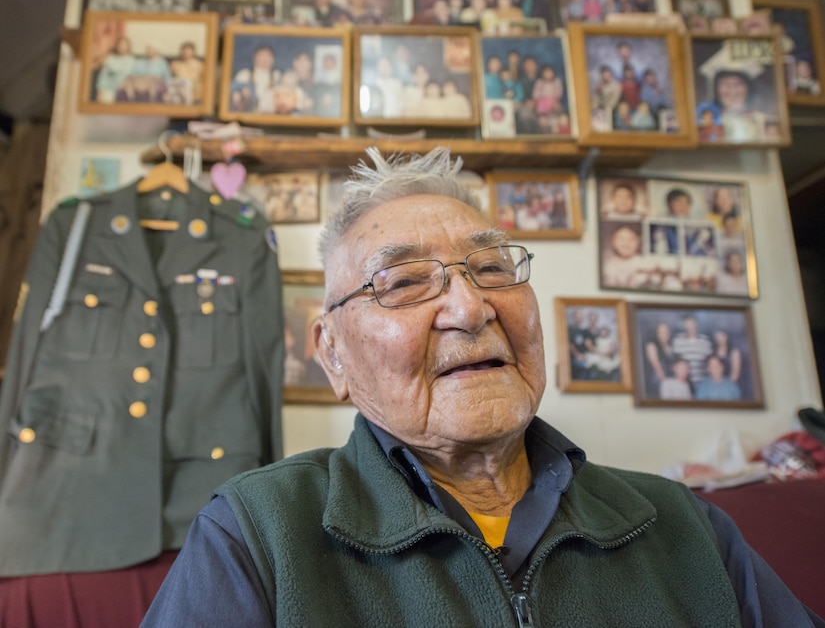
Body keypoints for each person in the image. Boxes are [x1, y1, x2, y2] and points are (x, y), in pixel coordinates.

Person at [141, 147, 822, 627]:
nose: (470, 308)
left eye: (492, 268)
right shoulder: (257, 533)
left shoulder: (681, 524)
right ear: (332, 355)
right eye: (404, 282)